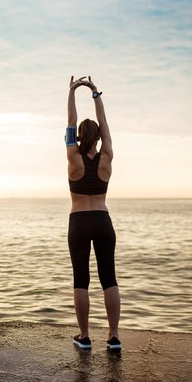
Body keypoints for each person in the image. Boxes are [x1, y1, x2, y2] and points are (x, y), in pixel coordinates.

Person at [65, 75, 121, 350]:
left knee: (81, 280)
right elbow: (106, 124)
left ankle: (85, 337)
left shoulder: (72, 157)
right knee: (108, 278)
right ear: (98, 137)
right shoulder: (107, 156)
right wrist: (95, 93)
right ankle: (113, 337)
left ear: (79, 137)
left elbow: (70, 123)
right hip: (102, 219)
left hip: (79, 221)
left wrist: (72, 92)